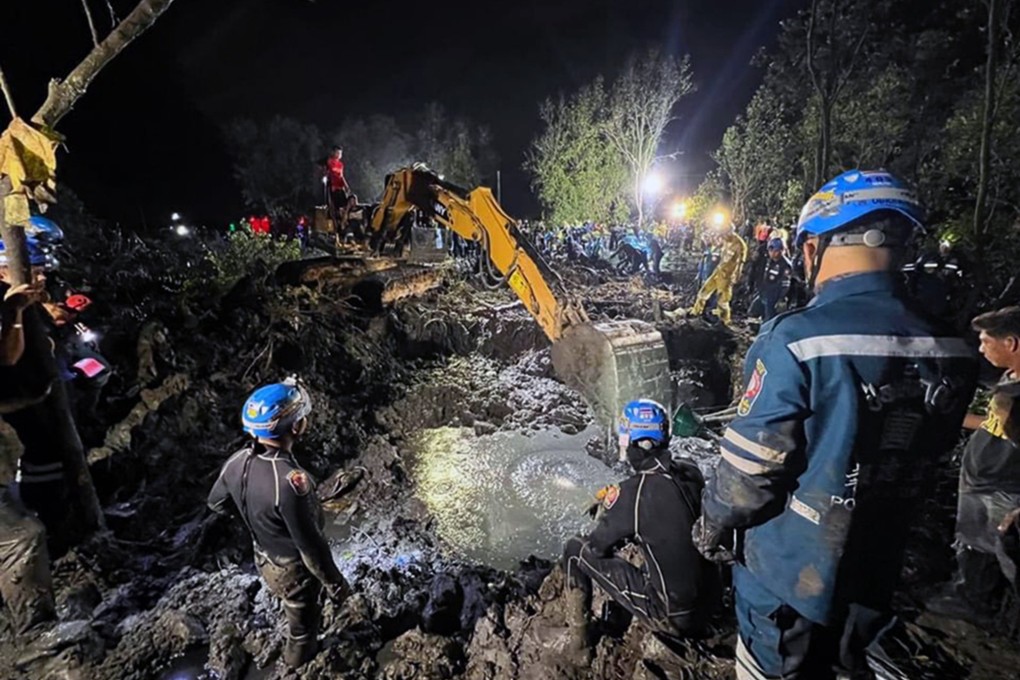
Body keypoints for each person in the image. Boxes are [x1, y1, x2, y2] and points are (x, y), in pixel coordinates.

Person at [694, 170, 978, 679]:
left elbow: (745, 484)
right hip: (878, 569)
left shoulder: (796, 341)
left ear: (813, 246)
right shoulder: (953, 348)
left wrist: (712, 523)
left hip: (789, 578)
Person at [208, 378, 352, 668]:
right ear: (296, 427)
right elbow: (311, 547)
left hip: (263, 556)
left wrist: (261, 522)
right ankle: (296, 668)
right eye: (303, 417)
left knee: (293, 608)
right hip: (292, 571)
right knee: (301, 631)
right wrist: (336, 584)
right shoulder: (292, 482)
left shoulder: (236, 462)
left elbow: (216, 503)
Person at [562, 399, 712, 649]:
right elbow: (665, 510)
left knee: (575, 550)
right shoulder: (691, 472)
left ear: (635, 445)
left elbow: (598, 548)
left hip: (674, 616)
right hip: (712, 604)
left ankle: (579, 646)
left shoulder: (633, 494)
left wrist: (613, 509)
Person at [926, 306, 1020, 624]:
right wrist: (952, 419)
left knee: (1006, 554)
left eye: (985, 341)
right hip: (982, 481)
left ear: (1011, 343)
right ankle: (972, 599)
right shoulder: (1010, 378)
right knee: (973, 544)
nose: (981, 349)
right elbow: (993, 424)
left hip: (1006, 489)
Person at [0, 258, 55, 637]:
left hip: (26, 406)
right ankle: (33, 633)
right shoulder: (7, 303)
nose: (39, 277)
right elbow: (8, 356)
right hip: (19, 409)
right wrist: (15, 312)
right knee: (23, 537)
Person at [690, 221, 747, 325]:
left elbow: (740, 262)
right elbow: (715, 246)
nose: (723, 236)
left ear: (730, 232)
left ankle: (724, 321)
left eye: (725, 234)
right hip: (718, 271)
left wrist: (737, 275)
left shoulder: (739, 244)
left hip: (727, 276)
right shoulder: (725, 240)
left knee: (722, 299)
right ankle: (696, 312)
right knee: (704, 291)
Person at [757, 238, 793, 321]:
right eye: (770, 250)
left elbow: (785, 284)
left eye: (775, 251)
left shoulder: (785, 265)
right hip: (766, 291)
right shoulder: (770, 261)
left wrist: (781, 298)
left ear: (781, 250)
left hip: (775, 294)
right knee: (756, 312)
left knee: (770, 317)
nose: (772, 253)